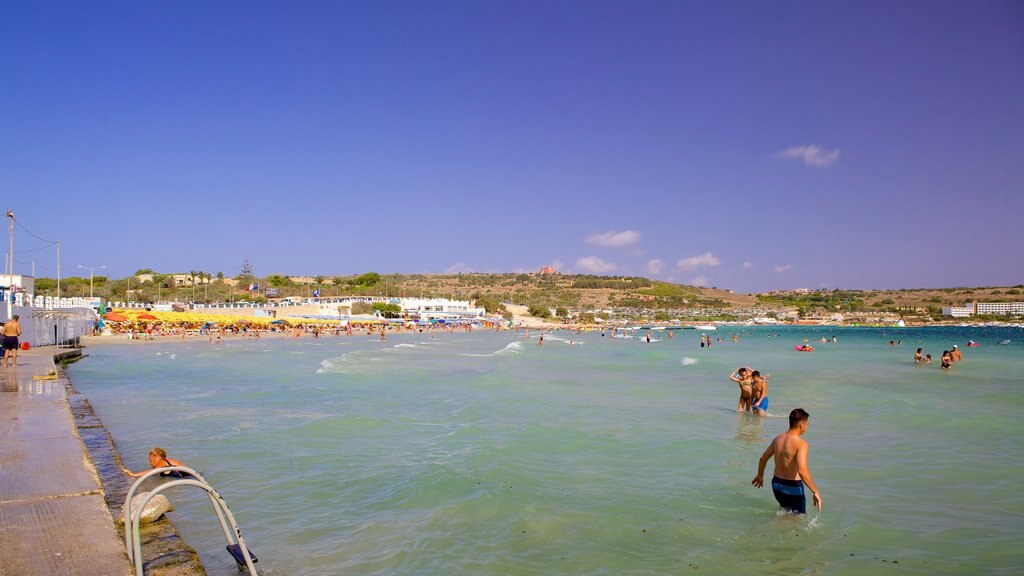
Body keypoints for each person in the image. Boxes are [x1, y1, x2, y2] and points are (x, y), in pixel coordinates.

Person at [752, 408, 822, 514]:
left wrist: (760, 475)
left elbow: (763, 458)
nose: (807, 426)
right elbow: (802, 470)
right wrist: (815, 491)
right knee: (797, 521)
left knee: (785, 514)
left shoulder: (778, 439)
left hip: (776, 485)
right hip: (792, 487)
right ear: (802, 424)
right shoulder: (801, 444)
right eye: (807, 423)